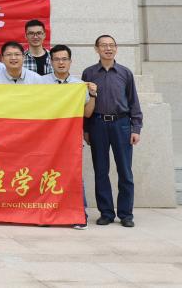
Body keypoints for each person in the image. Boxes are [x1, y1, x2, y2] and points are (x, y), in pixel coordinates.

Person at [82, 35, 142, 228]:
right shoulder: (89, 73)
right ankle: (106, 212)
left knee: (125, 171)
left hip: (121, 124)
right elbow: (83, 103)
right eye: (103, 45)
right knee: (101, 170)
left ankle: (126, 214)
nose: (108, 49)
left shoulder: (125, 73)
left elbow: (133, 102)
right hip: (97, 124)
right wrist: (86, 129)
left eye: (111, 45)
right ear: (96, 49)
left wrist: (136, 128)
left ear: (116, 48)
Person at [42, 44, 97, 230]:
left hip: (70, 139)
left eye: (64, 59)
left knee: (73, 176)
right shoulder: (41, 83)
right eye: (57, 59)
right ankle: (45, 214)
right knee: (45, 175)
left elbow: (87, 113)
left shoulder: (78, 86)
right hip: (45, 140)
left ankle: (79, 214)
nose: (61, 63)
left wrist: (93, 95)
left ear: (70, 62)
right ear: (51, 62)